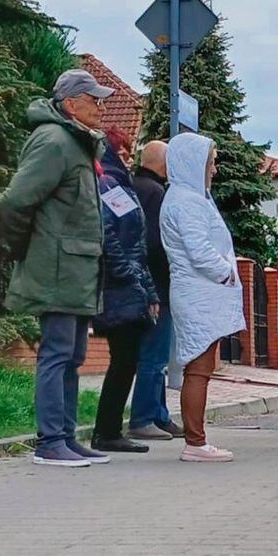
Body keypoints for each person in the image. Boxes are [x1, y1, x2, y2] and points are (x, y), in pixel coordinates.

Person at [0, 69, 113, 468]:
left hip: (77, 268)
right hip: (59, 267)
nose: (100, 106)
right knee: (57, 354)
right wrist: (24, 249)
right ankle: (50, 441)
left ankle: (65, 436)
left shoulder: (76, 143)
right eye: (93, 99)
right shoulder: (54, 141)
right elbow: (15, 202)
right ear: (70, 104)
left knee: (73, 355)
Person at [160, 133, 245, 463]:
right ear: (193, 164)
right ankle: (195, 442)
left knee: (200, 365)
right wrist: (226, 272)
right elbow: (200, 250)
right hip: (199, 293)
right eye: (211, 162)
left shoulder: (185, 198)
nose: (214, 169)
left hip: (197, 293)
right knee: (198, 368)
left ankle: (197, 439)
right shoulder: (187, 201)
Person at [90, 125, 160, 454]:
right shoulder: (107, 184)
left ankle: (110, 429)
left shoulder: (123, 185)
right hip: (118, 286)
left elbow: (138, 244)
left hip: (132, 284)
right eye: (124, 150)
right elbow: (110, 237)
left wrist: (149, 290)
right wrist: (130, 275)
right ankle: (106, 431)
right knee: (124, 359)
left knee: (128, 359)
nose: (129, 156)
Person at [128, 140, 183, 441]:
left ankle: (159, 416)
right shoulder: (156, 193)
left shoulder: (135, 186)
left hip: (143, 284)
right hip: (157, 287)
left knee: (155, 355)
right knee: (154, 355)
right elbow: (156, 243)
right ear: (164, 164)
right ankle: (144, 417)